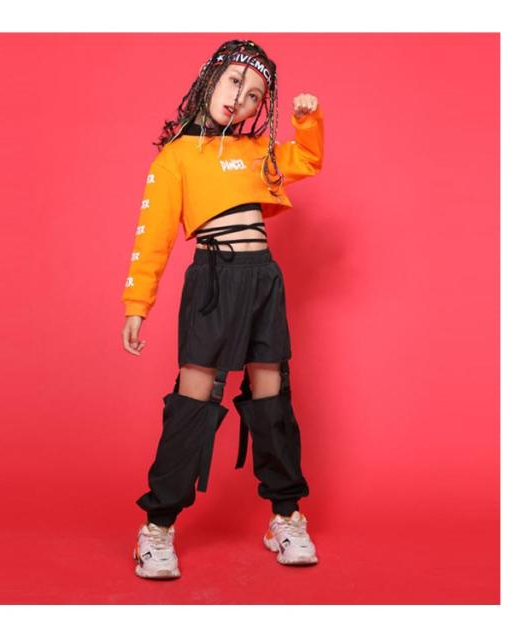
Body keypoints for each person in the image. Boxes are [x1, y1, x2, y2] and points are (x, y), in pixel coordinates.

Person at [121, 39, 324, 579]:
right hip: (213, 279)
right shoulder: (176, 157)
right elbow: (154, 237)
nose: (242, 97)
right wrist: (137, 303)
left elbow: (307, 159)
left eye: (255, 95)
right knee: (194, 398)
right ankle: (157, 527)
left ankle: (286, 516)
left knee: (271, 395)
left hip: (263, 280)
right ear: (209, 81)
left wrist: (307, 120)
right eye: (235, 82)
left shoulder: (258, 152)